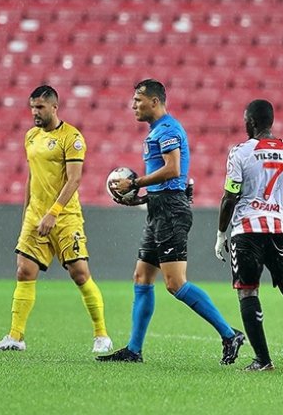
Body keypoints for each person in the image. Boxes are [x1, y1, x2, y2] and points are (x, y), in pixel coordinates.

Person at [97, 79, 245, 364]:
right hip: (159, 209)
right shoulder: (156, 132)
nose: (133, 105)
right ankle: (134, 350)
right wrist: (138, 198)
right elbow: (170, 181)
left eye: (138, 100)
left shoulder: (167, 129)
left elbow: (173, 169)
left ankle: (229, 334)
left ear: (154, 101)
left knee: (175, 283)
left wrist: (135, 182)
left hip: (171, 213)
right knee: (141, 277)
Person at [0, 85, 111, 353]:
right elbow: (31, 177)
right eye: (32, 107)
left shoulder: (72, 137)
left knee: (79, 273)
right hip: (35, 216)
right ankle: (15, 337)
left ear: (54, 107)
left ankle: (101, 334)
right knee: (24, 271)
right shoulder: (31, 137)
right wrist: (27, 214)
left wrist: (53, 213)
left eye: (40, 107)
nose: (35, 112)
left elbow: (74, 179)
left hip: (65, 217)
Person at [216, 99, 283, 372]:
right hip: (278, 230)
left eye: (244, 119)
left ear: (250, 122)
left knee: (248, 292)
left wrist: (220, 234)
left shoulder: (240, 152)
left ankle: (263, 361)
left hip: (247, 231)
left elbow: (230, 197)